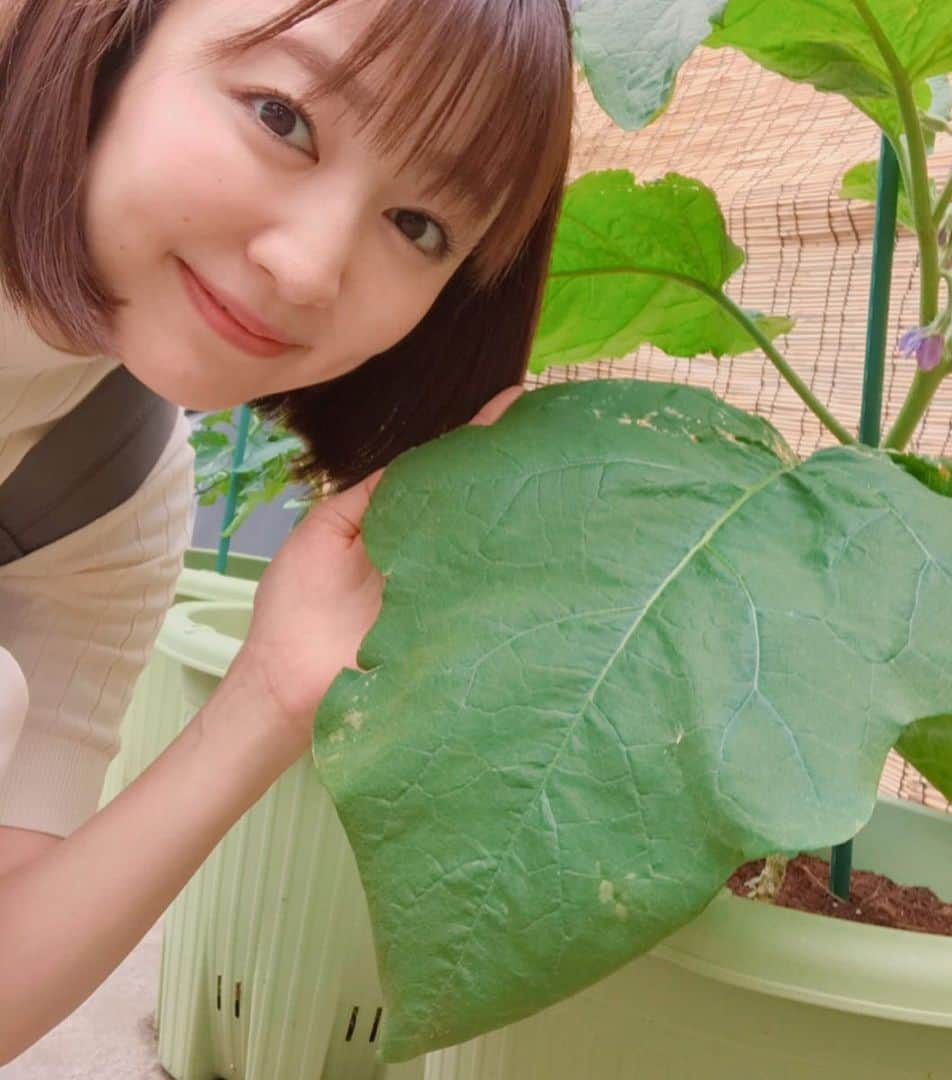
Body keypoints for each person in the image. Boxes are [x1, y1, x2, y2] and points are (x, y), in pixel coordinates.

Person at [0, 0, 573, 1061]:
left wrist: (269, 699)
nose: (312, 269)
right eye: (281, 116)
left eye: (420, 227)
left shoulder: (102, 494)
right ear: (114, 37)